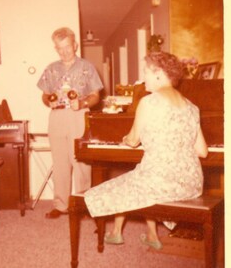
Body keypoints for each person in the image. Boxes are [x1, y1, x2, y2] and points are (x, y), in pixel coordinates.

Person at [84, 51, 208, 249]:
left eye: (146, 72)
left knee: (99, 192)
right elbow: (202, 151)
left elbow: (133, 141)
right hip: (191, 183)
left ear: (158, 73)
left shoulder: (148, 102)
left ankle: (116, 232)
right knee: (137, 178)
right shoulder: (192, 107)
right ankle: (149, 235)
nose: (143, 78)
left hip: (160, 182)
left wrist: (126, 138)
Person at [37, 27, 103, 219]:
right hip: (57, 118)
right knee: (60, 163)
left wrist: (81, 102)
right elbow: (44, 95)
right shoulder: (51, 68)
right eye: (59, 48)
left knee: (81, 163)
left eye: (67, 47)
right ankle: (61, 205)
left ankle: (83, 204)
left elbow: (95, 96)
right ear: (55, 48)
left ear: (74, 45)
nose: (64, 51)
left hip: (79, 116)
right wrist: (49, 100)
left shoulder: (87, 67)